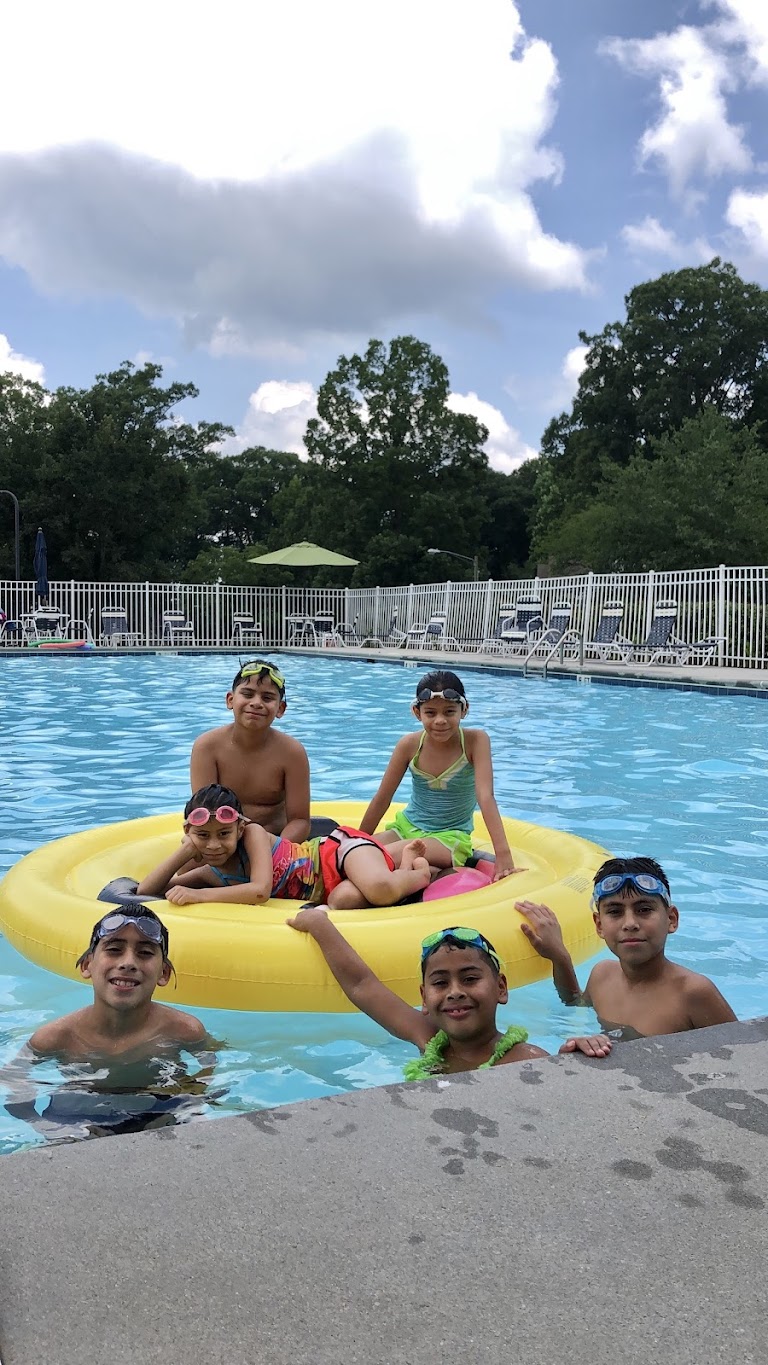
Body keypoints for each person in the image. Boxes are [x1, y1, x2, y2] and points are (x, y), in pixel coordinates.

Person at [288, 908, 612, 1076]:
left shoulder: (524, 1059)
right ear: (424, 998)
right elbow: (362, 985)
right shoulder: (429, 1039)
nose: (455, 992)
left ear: (501, 988)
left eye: (469, 979)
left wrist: (574, 1061)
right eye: (440, 983)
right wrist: (319, 924)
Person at [3, 907, 218, 1140]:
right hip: (78, 1115)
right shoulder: (56, 1037)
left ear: (163, 973)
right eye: (114, 950)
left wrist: (194, 1094)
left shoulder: (183, 1029)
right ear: (87, 965)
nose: (128, 963)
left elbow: (210, 1063)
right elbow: (13, 1077)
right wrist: (43, 1125)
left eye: (145, 953)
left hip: (161, 1108)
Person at [517, 855, 738, 1040]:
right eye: (615, 912)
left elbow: (743, 1055)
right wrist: (560, 957)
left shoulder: (693, 993)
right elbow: (574, 1002)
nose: (630, 923)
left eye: (644, 910)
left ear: (671, 919)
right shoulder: (602, 975)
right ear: (599, 925)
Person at [136, 785, 432, 909]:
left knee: (380, 890)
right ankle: (399, 863)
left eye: (224, 834)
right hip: (330, 888)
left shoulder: (252, 834)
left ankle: (417, 870)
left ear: (239, 828)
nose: (214, 845)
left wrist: (199, 896)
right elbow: (146, 891)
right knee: (344, 901)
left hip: (335, 853)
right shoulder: (211, 874)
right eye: (203, 836)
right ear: (188, 832)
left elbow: (260, 890)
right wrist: (186, 850)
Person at [360, 669, 516, 881]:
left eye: (449, 712)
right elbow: (382, 797)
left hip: (449, 838)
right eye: (431, 713)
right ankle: (425, 871)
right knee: (360, 854)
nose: (440, 720)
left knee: (381, 857)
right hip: (405, 827)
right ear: (417, 712)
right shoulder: (409, 745)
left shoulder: (475, 742)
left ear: (464, 710)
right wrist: (357, 840)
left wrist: (503, 853)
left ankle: (416, 871)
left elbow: (485, 796)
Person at [190, 660, 310, 840]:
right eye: (247, 694)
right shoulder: (207, 747)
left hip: (274, 839)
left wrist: (279, 849)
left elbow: (300, 820)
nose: (256, 703)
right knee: (188, 850)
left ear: (280, 709)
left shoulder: (292, 753)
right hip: (223, 841)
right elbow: (204, 814)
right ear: (230, 700)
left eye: (267, 698)